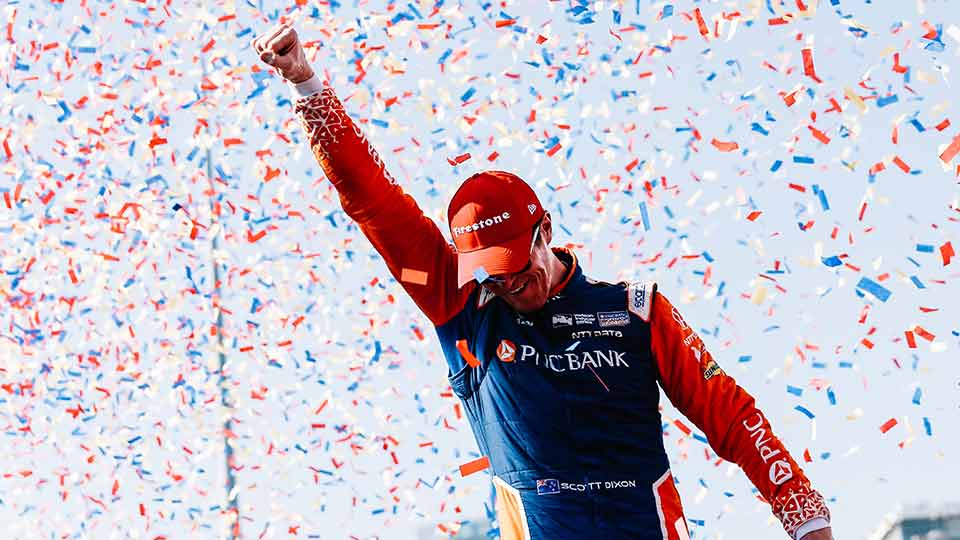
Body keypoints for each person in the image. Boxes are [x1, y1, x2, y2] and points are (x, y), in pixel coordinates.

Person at [251, 23, 834, 540]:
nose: (506, 285)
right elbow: (376, 205)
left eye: (514, 265)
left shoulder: (637, 311)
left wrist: (806, 519)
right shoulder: (461, 304)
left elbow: (734, 418)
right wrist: (308, 88)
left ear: (544, 231)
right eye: (490, 274)